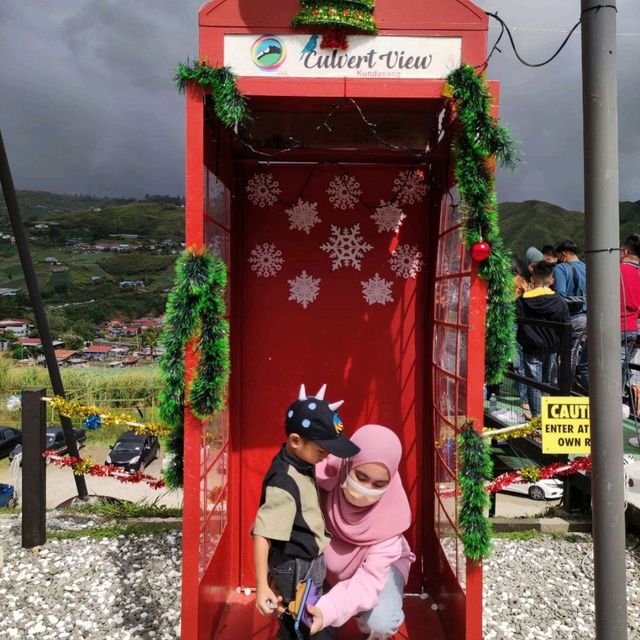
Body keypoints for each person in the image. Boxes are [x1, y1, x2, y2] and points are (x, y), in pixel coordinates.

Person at [252, 384, 360, 640]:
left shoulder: (299, 459)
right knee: (301, 624)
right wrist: (261, 585)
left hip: (307, 561)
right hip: (297, 565)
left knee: (314, 614)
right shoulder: (283, 484)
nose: (325, 457)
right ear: (295, 441)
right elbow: (262, 534)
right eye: (322, 451)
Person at [306, 424, 415, 640]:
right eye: (362, 477)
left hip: (377, 573)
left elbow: (366, 583)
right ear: (348, 465)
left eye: (379, 484)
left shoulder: (392, 520)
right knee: (305, 628)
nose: (366, 489)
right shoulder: (323, 480)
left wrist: (328, 610)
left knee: (380, 620)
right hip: (329, 568)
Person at [516, 261, 571, 417]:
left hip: (530, 346)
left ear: (533, 278)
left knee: (534, 382)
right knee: (547, 381)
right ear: (551, 280)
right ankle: (546, 417)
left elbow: (516, 321)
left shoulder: (523, 301)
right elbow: (566, 324)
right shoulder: (559, 301)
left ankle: (537, 418)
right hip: (552, 347)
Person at [552, 239, 587, 382]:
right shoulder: (587, 267)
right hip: (584, 318)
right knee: (572, 355)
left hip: (567, 318)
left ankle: (558, 387)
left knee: (558, 355)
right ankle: (567, 388)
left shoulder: (561, 269)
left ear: (564, 254)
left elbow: (560, 296)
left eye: (558, 257)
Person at [619, 235, 640, 408]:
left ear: (625, 251)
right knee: (621, 369)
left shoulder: (617, 270)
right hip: (632, 328)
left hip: (615, 326)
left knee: (586, 365)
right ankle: (618, 404)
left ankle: (607, 403)